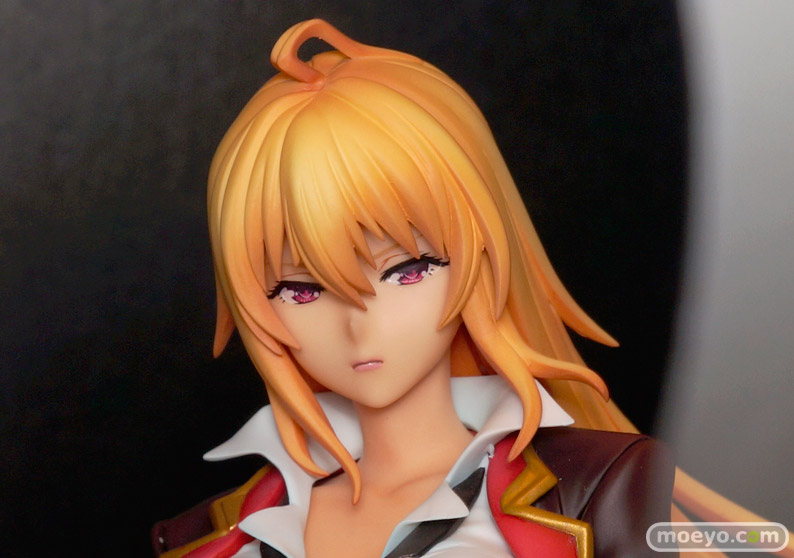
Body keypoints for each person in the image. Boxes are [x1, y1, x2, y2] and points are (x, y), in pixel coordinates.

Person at [152, 19, 676, 558]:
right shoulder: (202, 536)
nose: (358, 326)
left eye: (408, 271)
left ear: (481, 252)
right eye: (300, 290)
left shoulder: (595, 490)